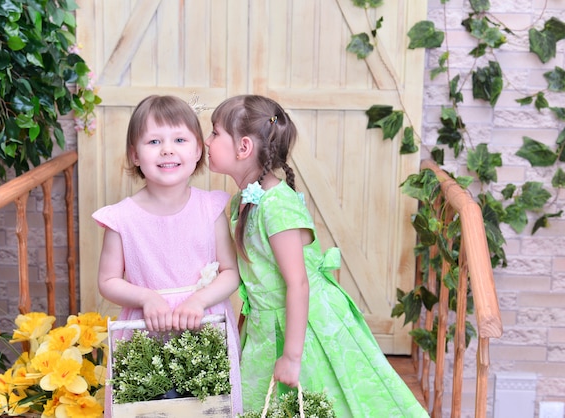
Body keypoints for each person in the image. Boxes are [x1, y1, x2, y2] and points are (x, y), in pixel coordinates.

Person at [205, 94, 429, 417]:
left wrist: (293, 356)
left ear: (243, 148)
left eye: (214, 133)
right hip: (267, 327)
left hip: (302, 327)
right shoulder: (244, 200)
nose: (207, 140)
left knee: (323, 401)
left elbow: (297, 284)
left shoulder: (275, 205)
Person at [93, 95, 242, 415]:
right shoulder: (121, 219)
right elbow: (107, 281)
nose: (167, 149)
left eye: (179, 139)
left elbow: (231, 271)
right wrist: (146, 298)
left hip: (204, 327)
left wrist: (200, 300)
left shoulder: (211, 208)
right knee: (147, 407)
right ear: (134, 154)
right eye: (154, 141)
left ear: (199, 149)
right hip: (145, 332)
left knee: (208, 407)